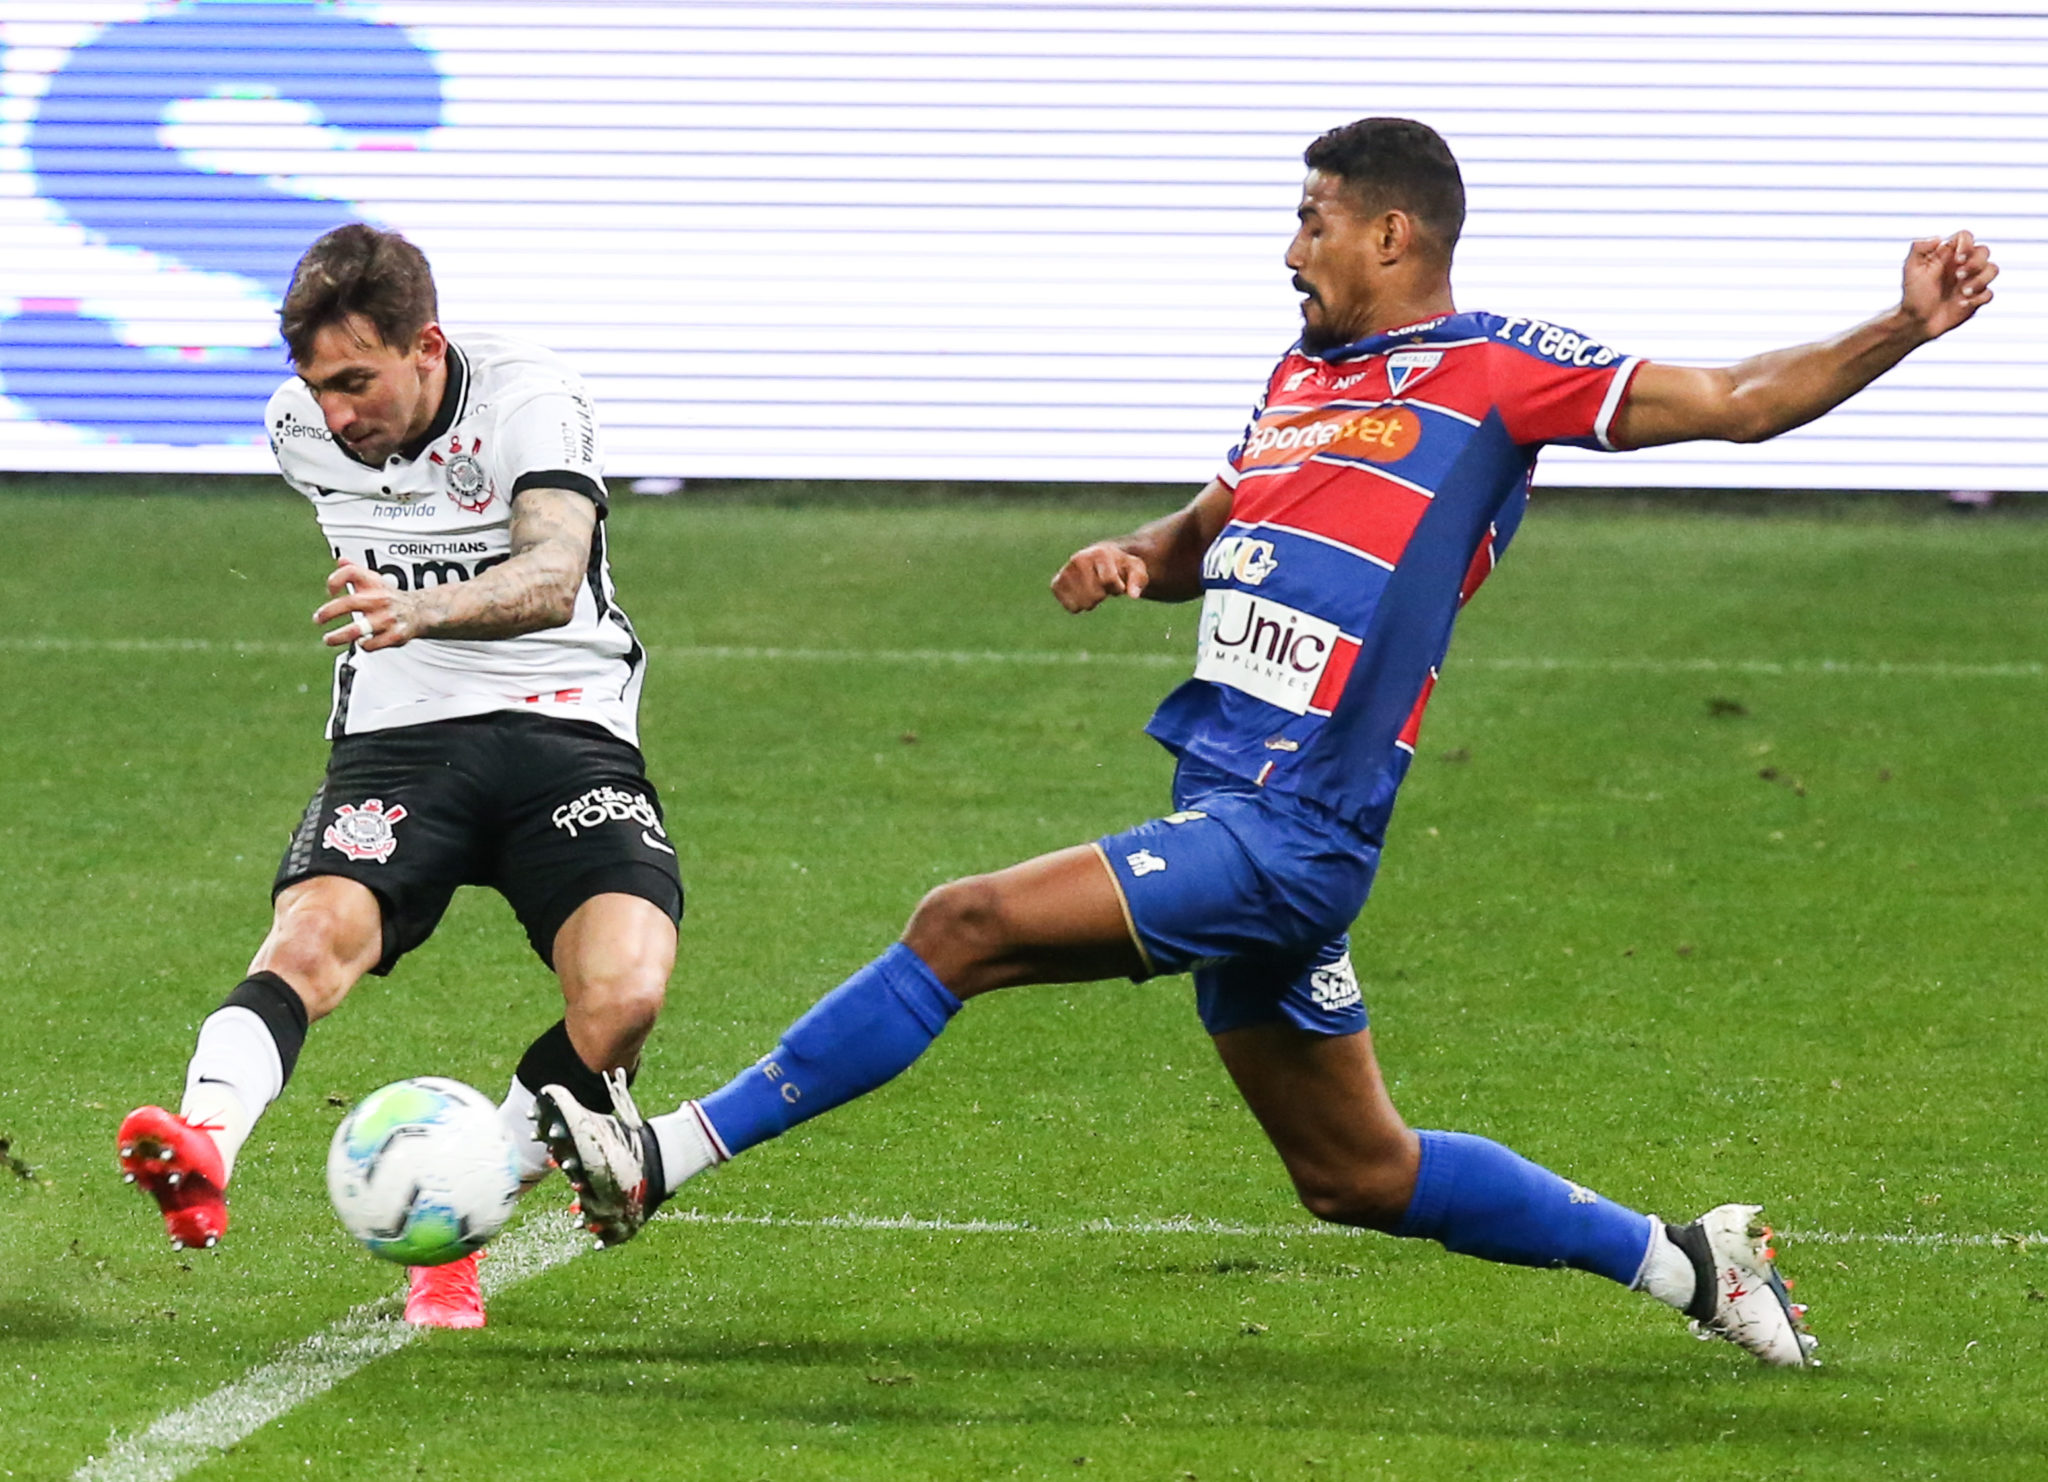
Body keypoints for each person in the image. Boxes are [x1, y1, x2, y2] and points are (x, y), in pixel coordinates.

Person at [537, 118, 1997, 1367]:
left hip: (1297, 834)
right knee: (1355, 1171)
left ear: (1392, 231)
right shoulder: (1301, 380)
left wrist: (1901, 325)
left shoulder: (1498, 372)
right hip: (1227, 799)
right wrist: (1136, 556)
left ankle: (666, 1152)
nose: (1288, 249)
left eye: (1309, 221)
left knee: (963, 922)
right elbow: (1210, 530)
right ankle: (1690, 1262)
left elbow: (1740, 402)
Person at [116, 224, 685, 1329]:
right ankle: (203, 1147)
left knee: (625, 993)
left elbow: (555, 576)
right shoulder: (297, 428)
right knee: (311, 936)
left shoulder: (529, 396)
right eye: (316, 385)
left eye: (356, 381)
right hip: (399, 731)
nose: (334, 413)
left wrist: (414, 607)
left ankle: (460, 1219)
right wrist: (405, 631)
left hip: (564, 723)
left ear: (428, 344)